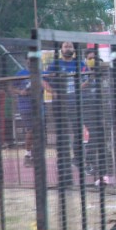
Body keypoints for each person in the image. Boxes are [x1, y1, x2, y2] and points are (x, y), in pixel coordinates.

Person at [42, 42, 85, 187]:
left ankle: (78, 160)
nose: (68, 48)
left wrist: (78, 89)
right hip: (60, 102)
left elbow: (89, 77)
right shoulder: (55, 64)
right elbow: (43, 79)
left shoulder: (79, 63)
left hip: (75, 101)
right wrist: (53, 92)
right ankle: (63, 163)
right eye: (65, 46)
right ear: (61, 49)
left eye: (70, 46)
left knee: (77, 129)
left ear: (74, 49)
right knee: (62, 132)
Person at [83, 48, 113, 185]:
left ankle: (107, 166)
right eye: (90, 58)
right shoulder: (84, 72)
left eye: (94, 58)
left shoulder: (104, 73)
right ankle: (90, 162)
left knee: (107, 137)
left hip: (105, 110)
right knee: (95, 135)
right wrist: (90, 77)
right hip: (89, 109)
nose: (93, 61)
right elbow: (80, 88)